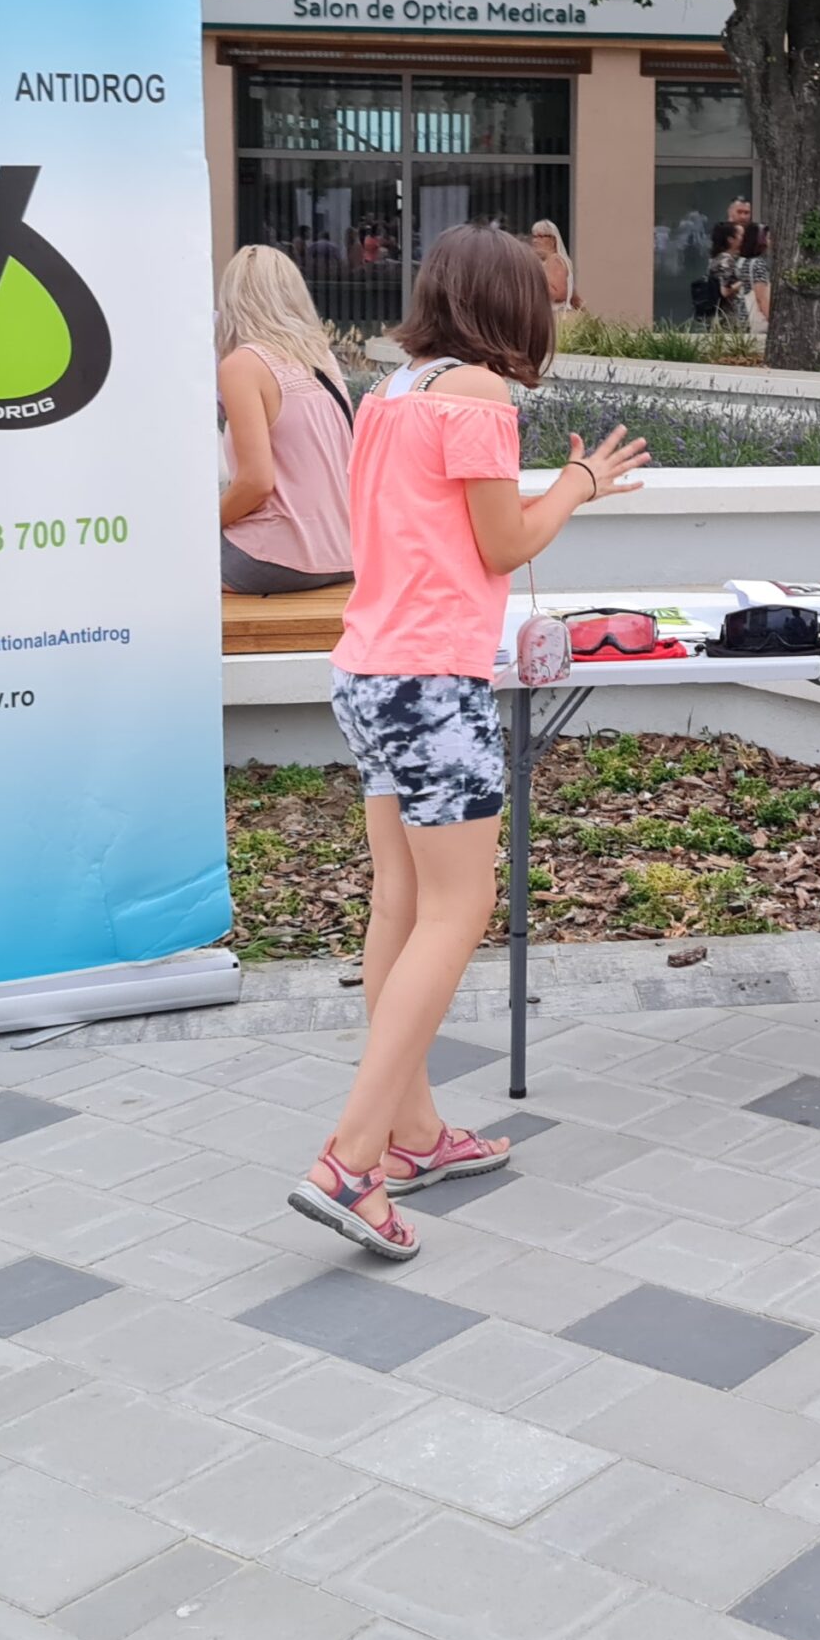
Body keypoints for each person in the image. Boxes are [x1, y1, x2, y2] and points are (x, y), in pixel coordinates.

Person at [293, 222, 648, 1258]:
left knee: (399, 901)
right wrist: (579, 484)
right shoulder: (482, 398)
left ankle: (408, 1133)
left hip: (364, 669)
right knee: (458, 903)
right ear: (509, 307)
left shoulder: (388, 392)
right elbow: (506, 541)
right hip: (431, 681)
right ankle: (352, 1158)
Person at [216, 246, 356, 595]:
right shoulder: (321, 357)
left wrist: (200, 526)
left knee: (157, 559)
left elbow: (256, 482)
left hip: (275, 557)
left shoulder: (242, 365)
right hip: (345, 553)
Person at [529, 219, 576, 312]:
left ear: (553, 240)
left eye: (541, 236)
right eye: (534, 236)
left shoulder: (555, 260)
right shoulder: (545, 262)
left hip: (555, 315)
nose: (535, 241)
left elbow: (560, 293)